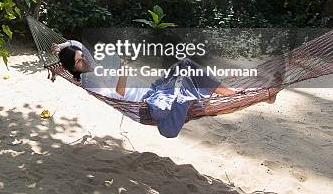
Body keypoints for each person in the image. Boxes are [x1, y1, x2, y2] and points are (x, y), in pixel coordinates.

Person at [51, 40, 277, 138]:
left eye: (82, 58)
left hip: (152, 90)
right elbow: (118, 96)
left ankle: (241, 95)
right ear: (74, 69)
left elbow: (77, 45)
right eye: (80, 62)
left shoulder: (88, 64)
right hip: (143, 105)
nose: (85, 61)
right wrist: (123, 70)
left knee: (185, 65)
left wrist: (59, 48)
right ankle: (237, 95)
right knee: (186, 77)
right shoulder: (89, 82)